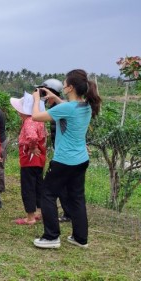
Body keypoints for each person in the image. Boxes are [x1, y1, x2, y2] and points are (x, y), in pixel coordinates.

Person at [32, 69, 102, 249]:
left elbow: (36, 117)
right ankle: (80, 238)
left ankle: (51, 237)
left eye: (64, 84)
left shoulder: (66, 108)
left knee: (47, 194)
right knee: (77, 198)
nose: (62, 86)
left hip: (63, 161)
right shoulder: (86, 105)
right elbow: (70, 108)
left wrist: (36, 100)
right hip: (80, 160)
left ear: (70, 87)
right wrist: (55, 99)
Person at [37, 79, 71, 223]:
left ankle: (67, 213)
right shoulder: (58, 107)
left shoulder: (60, 108)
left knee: (55, 187)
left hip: (64, 155)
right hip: (62, 153)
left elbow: (36, 117)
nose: (42, 97)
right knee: (65, 186)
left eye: (44, 93)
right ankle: (69, 212)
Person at [10, 92, 46, 225]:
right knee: (38, 185)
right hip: (39, 159)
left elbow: (32, 137)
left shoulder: (29, 121)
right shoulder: (40, 121)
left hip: (29, 159)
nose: (19, 113)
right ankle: (39, 212)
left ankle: (30, 217)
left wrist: (31, 147)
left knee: (28, 187)